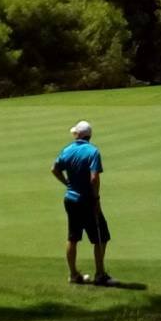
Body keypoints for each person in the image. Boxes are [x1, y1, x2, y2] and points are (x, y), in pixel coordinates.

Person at [51, 119, 112, 286]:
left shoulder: (67, 150)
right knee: (101, 237)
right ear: (89, 136)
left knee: (73, 237)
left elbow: (54, 169)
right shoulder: (93, 152)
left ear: (78, 134)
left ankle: (73, 275)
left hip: (70, 199)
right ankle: (100, 274)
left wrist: (67, 184)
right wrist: (96, 198)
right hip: (87, 200)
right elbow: (94, 177)